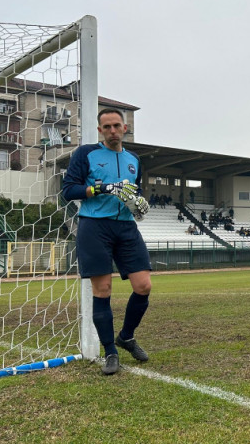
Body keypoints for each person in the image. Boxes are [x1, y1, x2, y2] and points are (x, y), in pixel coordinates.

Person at [61, 108, 151, 376]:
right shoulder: (85, 154)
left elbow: (137, 189)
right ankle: (110, 351)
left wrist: (141, 203)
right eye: (107, 127)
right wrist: (101, 188)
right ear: (100, 131)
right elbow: (68, 190)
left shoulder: (134, 159)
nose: (112, 131)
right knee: (103, 290)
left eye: (116, 126)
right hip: (94, 226)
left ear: (125, 128)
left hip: (126, 228)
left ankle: (126, 336)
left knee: (144, 286)